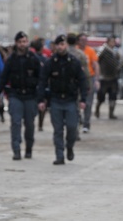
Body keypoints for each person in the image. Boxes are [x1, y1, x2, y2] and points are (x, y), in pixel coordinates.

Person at [38, 34, 88, 165]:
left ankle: (69, 146)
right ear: (55, 46)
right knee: (58, 129)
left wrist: (83, 99)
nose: (61, 47)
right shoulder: (50, 63)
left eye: (63, 44)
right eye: (59, 44)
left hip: (71, 100)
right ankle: (59, 155)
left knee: (72, 127)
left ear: (67, 45)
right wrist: (41, 99)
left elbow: (82, 80)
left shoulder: (74, 62)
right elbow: (42, 81)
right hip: (55, 100)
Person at [0, 31, 41, 160]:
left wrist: (42, 97)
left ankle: (29, 148)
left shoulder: (34, 58)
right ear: (16, 43)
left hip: (30, 96)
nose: (22, 44)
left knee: (30, 124)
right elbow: (3, 78)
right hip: (15, 95)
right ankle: (16, 149)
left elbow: (41, 78)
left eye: (24, 42)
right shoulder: (11, 60)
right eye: (20, 42)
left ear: (28, 42)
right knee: (15, 123)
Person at [76, 33, 100, 133]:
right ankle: (78, 120)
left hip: (89, 78)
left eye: (85, 39)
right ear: (78, 40)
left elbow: (95, 65)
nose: (84, 41)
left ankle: (86, 124)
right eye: (82, 39)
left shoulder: (90, 51)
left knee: (88, 103)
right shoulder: (75, 50)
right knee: (77, 102)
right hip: (77, 80)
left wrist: (97, 80)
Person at [95, 36, 120, 119]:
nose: (113, 43)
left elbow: (120, 60)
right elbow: (96, 59)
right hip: (104, 77)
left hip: (113, 77)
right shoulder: (103, 50)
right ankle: (97, 110)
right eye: (112, 41)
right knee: (101, 97)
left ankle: (111, 113)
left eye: (114, 41)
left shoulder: (115, 52)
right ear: (108, 42)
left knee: (113, 96)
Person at [30, 38, 48, 132]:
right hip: (42, 84)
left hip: (32, 85)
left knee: (33, 104)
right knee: (42, 104)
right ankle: (40, 124)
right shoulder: (45, 59)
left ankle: (31, 121)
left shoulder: (30, 58)